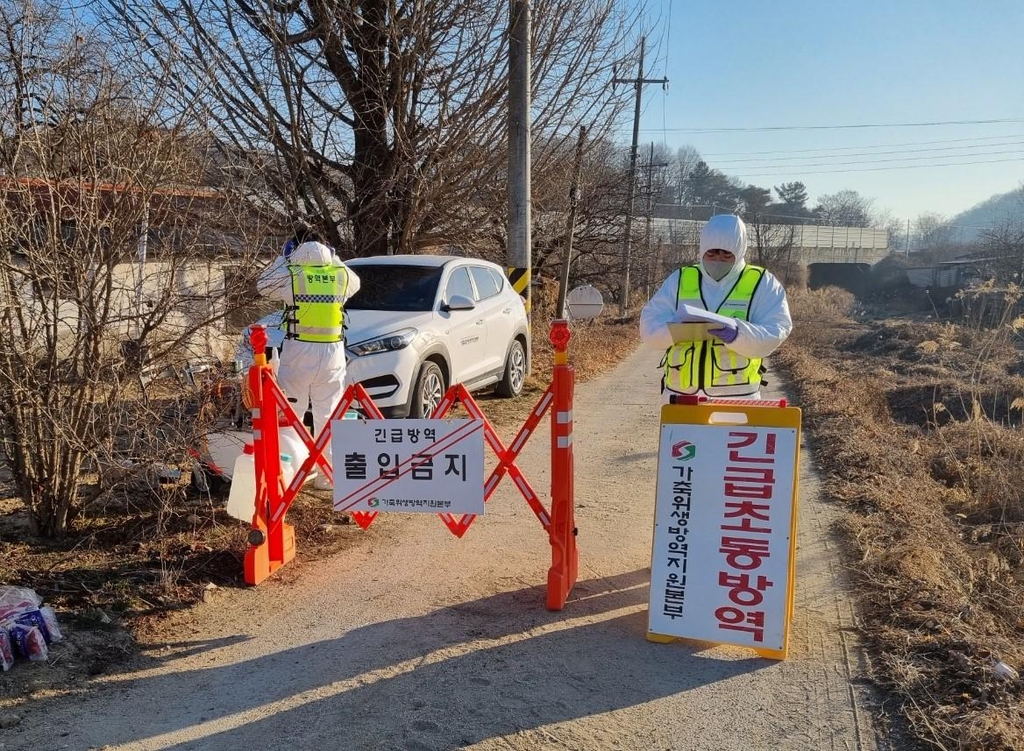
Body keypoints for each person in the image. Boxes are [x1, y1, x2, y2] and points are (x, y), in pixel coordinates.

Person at [639, 213, 792, 402]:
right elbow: (649, 326)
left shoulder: (762, 283)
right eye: (712, 253)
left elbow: (777, 329)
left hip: (737, 397)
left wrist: (739, 333)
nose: (718, 259)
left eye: (726, 254)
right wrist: (675, 331)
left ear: (739, 250)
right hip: (681, 396)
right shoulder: (680, 279)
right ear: (702, 249)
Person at [257, 234, 360, 489]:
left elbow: (263, 285)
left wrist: (283, 258)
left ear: (296, 251)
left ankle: (291, 471)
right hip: (333, 352)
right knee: (329, 414)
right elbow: (356, 282)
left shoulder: (293, 274)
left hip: (300, 349)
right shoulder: (339, 275)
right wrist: (333, 257)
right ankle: (328, 476)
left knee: (292, 413)